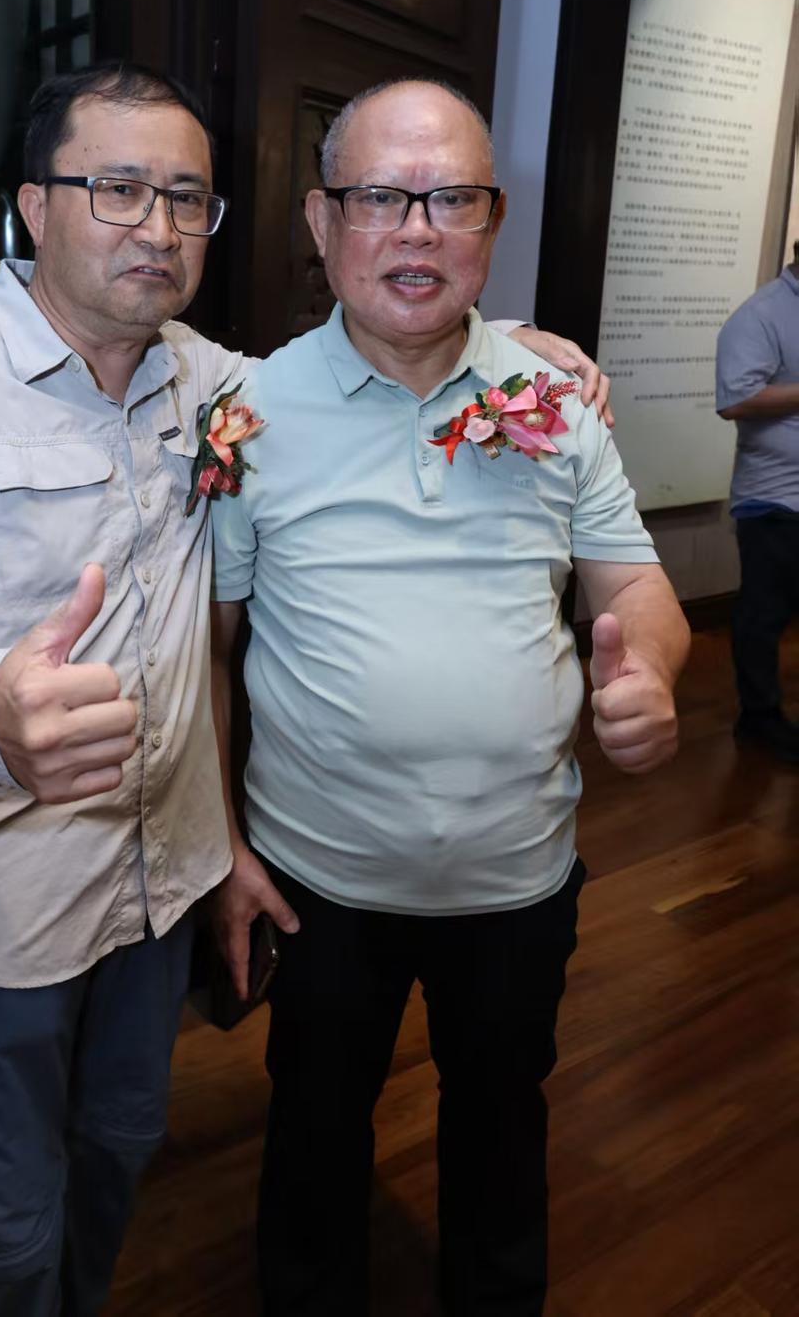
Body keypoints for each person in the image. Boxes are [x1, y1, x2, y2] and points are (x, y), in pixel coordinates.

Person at [0, 61, 612, 1317]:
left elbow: (377, 348)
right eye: (117, 188)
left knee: (112, 1172)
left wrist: (501, 343)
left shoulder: (210, 383)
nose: (156, 226)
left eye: (187, 197)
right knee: (0, 1242)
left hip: (151, 904)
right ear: (34, 206)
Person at [210, 77, 690, 1317]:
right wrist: (224, 846)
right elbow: (210, 650)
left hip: (517, 876)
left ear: (493, 221)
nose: (416, 230)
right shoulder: (248, 413)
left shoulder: (557, 401)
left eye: (453, 200)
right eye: (380, 197)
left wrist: (649, 670)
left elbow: (634, 585)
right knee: (314, 1142)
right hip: (319, 881)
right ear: (322, 221)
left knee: (503, 1131)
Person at [716, 240, 799, 763]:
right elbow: (736, 398)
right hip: (776, 498)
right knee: (764, 614)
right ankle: (759, 718)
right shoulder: (762, 314)